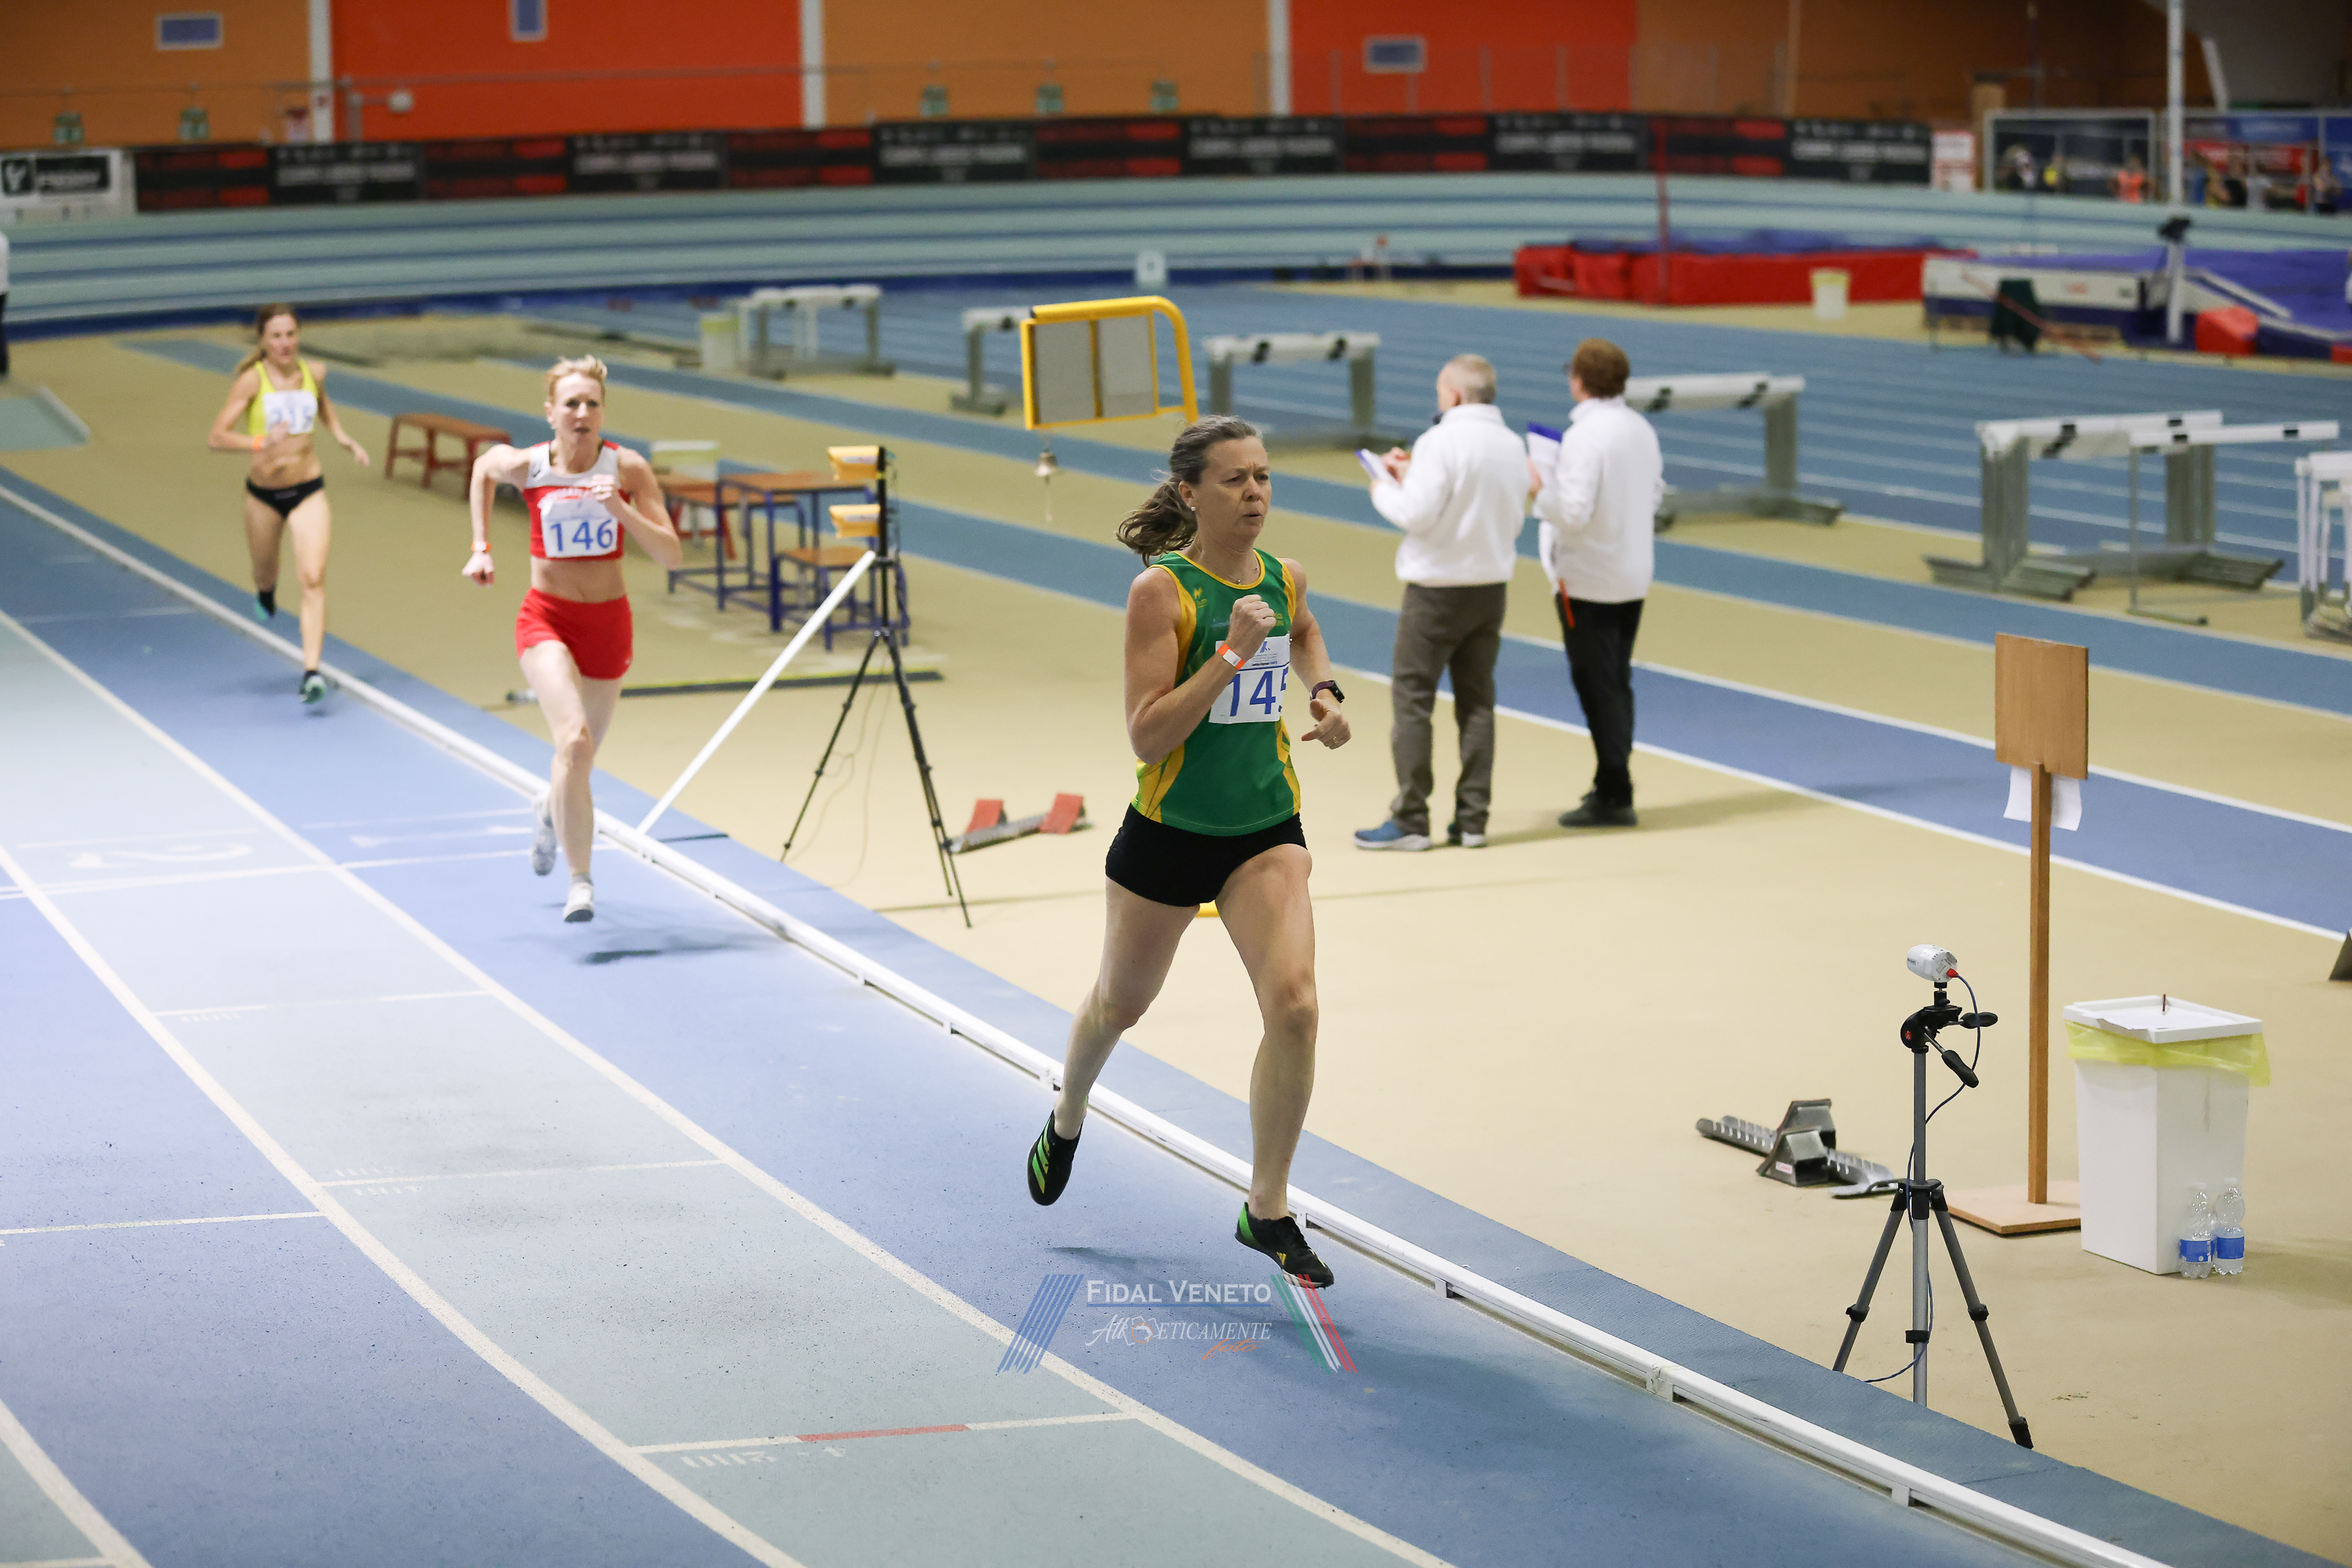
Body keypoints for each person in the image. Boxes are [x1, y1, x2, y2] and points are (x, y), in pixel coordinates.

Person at [1025, 415, 1352, 1289]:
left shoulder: (1283, 576)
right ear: (1190, 492)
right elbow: (1147, 735)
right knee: (1118, 1005)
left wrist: (1324, 692)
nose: (1255, 492)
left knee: (1296, 1008)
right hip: (1170, 833)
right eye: (1236, 478)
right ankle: (1068, 1111)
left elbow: (1305, 629)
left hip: (1265, 826)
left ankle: (1267, 1207)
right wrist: (1230, 656)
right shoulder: (1161, 594)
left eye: (1264, 476)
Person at [462, 356, 681, 924]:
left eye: (592, 404)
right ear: (551, 413)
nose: (582, 414)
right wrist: (481, 547)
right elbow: (484, 467)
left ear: (603, 412)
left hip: (608, 624)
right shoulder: (531, 466)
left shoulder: (627, 468)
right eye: (571, 404)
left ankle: (548, 806)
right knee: (575, 744)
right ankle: (581, 882)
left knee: (576, 763)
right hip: (547, 619)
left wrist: (620, 510)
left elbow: (671, 555)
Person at [1353, 353, 1528, 852]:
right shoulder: (1511, 445)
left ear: (1453, 395)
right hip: (1490, 588)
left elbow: (1416, 513)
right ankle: (1473, 819)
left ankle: (1411, 817)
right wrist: (1413, 473)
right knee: (1477, 704)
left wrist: (1383, 485)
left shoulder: (1439, 441)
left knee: (1413, 699)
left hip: (1435, 592)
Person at [205, 303, 371, 702]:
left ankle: (312, 671)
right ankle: (266, 592)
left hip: (307, 488)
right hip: (263, 496)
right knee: (265, 574)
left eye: (290, 335)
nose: (284, 343)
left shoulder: (314, 372)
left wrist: (341, 435)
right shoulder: (251, 381)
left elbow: (323, 403)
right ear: (263, 341)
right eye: (276, 336)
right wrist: (260, 441)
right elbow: (216, 437)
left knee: (313, 578)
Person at [1530, 338, 1662, 829]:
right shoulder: (1640, 428)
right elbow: (1653, 495)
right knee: (1616, 682)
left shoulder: (1586, 436)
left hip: (1587, 580)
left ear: (1579, 380)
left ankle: (1614, 791)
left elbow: (1573, 511)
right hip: (1632, 573)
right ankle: (1612, 781)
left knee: (1598, 687)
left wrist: (1540, 488)